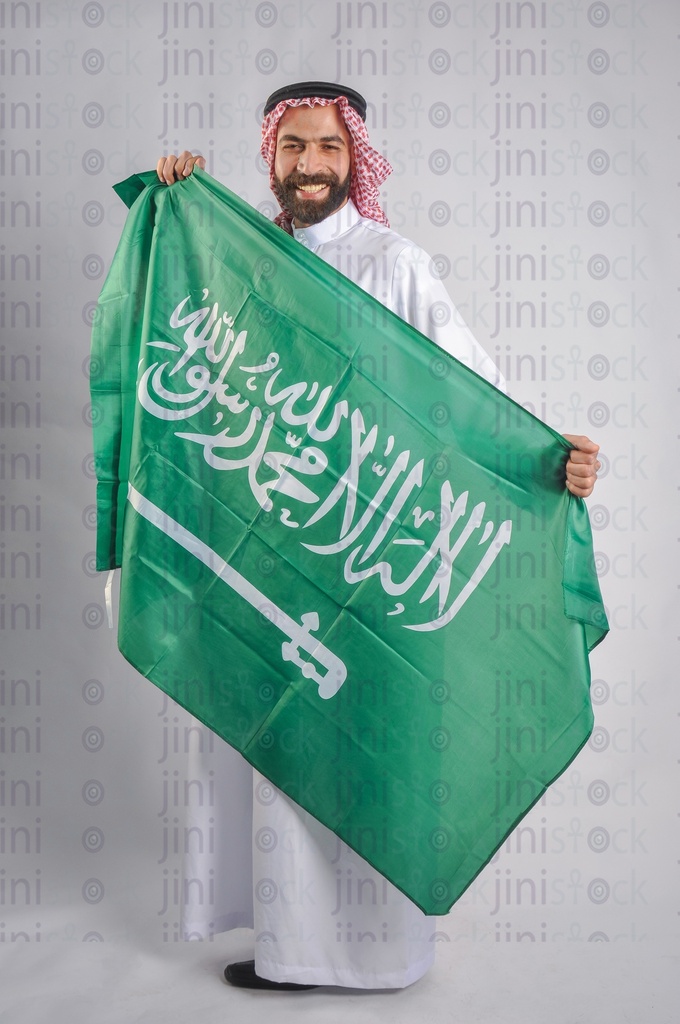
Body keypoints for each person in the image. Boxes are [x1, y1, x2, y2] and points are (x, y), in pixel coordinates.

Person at [156, 81, 600, 991]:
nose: (309, 166)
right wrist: (179, 204)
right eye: (293, 149)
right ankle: (292, 953)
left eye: (327, 148)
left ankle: (382, 956)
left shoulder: (393, 262)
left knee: (369, 749)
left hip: (371, 547)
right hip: (274, 546)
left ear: (354, 157)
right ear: (271, 158)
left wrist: (551, 457)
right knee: (281, 749)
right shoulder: (237, 259)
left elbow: (470, 389)